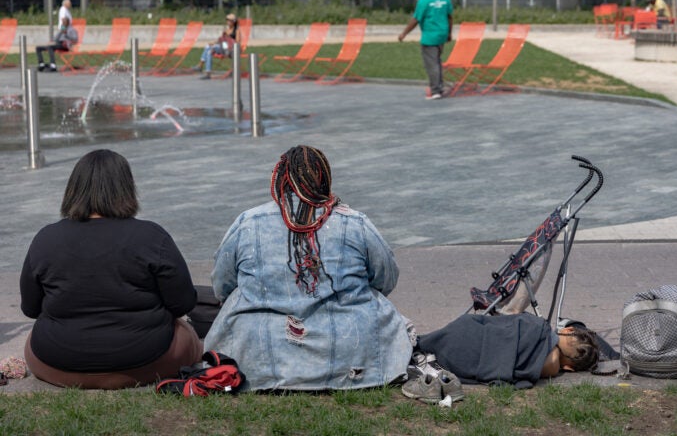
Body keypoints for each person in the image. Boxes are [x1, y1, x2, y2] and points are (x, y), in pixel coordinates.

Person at [204, 145, 412, 391]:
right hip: (350, 355)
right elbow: (385, 279)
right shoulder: (354, 222)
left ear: (280, 179)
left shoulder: (249, 222)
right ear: (325, 179)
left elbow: (223, 284)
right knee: (382, 309)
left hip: (258, 356)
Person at [20, 149, 202, 389]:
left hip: (56, 364)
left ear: (73, 190)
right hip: (144, 361)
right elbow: (183, 303)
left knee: (31, 337)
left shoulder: (46, 238)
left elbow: (31, 308)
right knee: (186, 333)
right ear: (127, 188)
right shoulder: (151, 236)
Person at [407, 312, 599, 394]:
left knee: (427, 342)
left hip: (465, 331)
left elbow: (501, 323)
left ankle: (418, 349)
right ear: (570, 368)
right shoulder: (553, 366)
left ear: (567, 331)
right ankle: (424, 360)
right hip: (466, 362)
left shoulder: (538, 325)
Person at [398, 0, 453, 100]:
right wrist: (449, 33)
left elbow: (416, 19)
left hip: (430, 36)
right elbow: (450, 17)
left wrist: (404, 33)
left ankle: (436, 91)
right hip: (442, 34)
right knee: (437, 61)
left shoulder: (424, 0)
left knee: (431, 64)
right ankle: (439, 87)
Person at [196, 13, 243, 79]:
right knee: (208, 47)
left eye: (229, 20)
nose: (228, 22)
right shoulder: (226, 30)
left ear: (233, 22)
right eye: (227, 20)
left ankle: (203, 68)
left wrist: (228, 37)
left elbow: (237, 42)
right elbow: (221, 40)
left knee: (209, 50)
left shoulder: (236, 31)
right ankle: (205, 70)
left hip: (231, 50)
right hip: (223, 47)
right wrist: (213, 42)